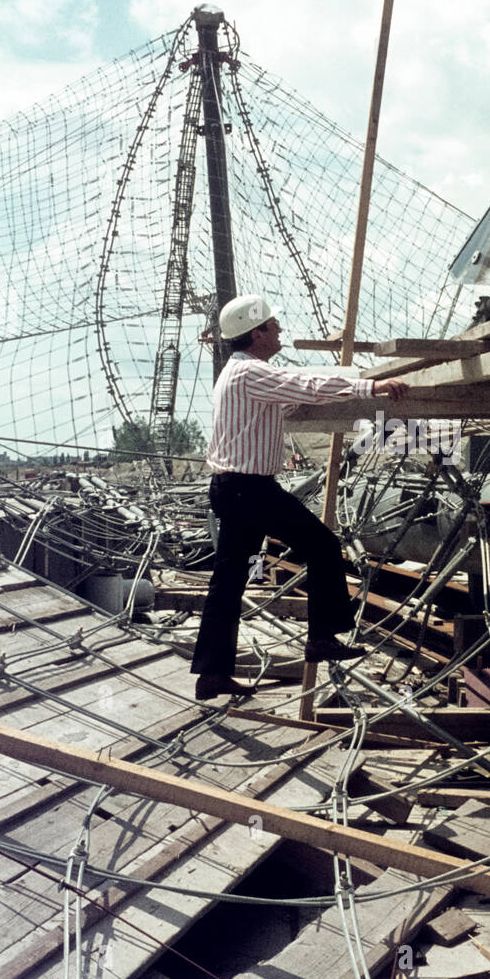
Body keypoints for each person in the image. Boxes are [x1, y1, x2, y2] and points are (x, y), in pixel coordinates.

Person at [191, 294, 408, 700]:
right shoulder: (249, 373)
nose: (279, 331)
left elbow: (293, 398)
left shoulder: (240, 373)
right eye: (273, 326)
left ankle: (211, 673)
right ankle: (321, 638)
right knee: (323, 545)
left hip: (236, 489)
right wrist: (371, 385)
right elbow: (302, 383)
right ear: (256, 334)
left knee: (228, 583)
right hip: (248, 489)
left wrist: (343, 391)